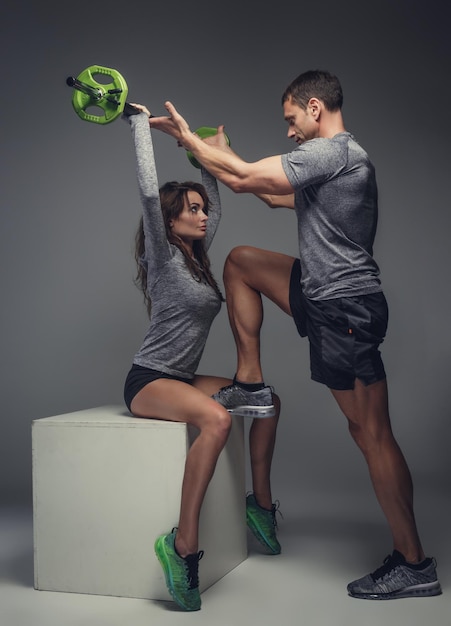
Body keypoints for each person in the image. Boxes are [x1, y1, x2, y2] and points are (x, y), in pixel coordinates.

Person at [148, 70, 442, 600]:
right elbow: (265, 195)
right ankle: (251, 382)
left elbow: (241, 180)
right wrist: (221, 152)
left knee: (372, 434)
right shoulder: (332, 169)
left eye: (290, 121)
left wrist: (189, 141)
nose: (289, 133)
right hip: (321, 292)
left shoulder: (334, 153)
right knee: (241, 263)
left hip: (344, 306)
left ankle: (414, 563)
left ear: (313, 107)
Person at [121, 104, 281, 612]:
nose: (202, 214)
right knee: (215, 420)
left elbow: (215, 193)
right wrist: (140, 127)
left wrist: (195, 146)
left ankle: (259, 504)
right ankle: (183, 545)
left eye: (200, 210)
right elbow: (149, 192)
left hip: (183, 376)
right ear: (169, 220)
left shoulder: (197, 260)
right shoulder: (165, 256)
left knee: (266, 400)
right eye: (190, 210)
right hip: (149, 380)